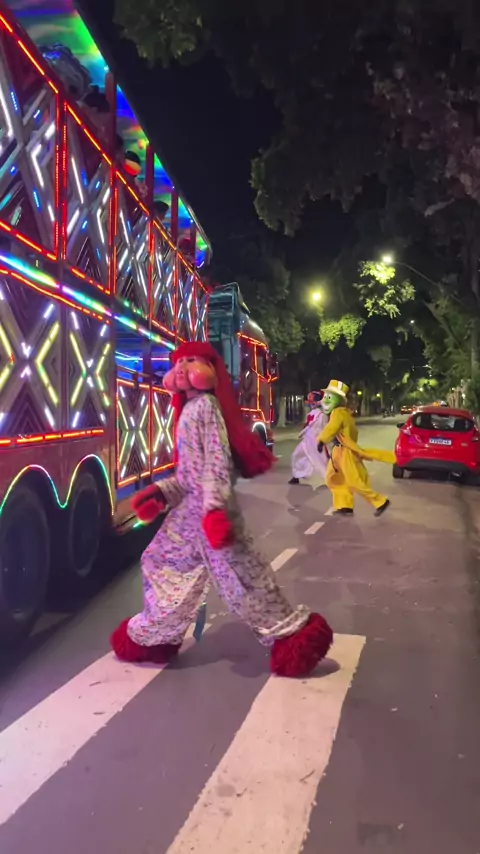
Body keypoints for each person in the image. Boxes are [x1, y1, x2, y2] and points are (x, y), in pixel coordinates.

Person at [110, 341, 333, 678]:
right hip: (190, 515)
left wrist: (215, 511)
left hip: (212, 513)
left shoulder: (207, 406)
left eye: (192, 360)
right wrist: (162, 492)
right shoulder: (189, 409)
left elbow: (216, 462)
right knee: (159, 561)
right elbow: (189, 474)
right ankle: (156, 634)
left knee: (242, 580)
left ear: (210, 369)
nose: (182, 367)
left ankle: (295, 636)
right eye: (179, 361)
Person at [317, 379, 396, 516]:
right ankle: (345, 505)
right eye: (325, 396)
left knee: (354, 481)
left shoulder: (339, 413)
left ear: (338, 400)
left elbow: (332, 428)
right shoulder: (343, 413)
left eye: (329, 397)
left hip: (345, 452)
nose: (325, 400)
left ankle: (380, 501)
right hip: (338, 452)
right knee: (332, 478)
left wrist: (321, 440)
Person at [289, 391, 329, 484]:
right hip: (306, 441)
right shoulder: (311, 413)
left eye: (311, 402)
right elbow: (308, 426)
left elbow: (325, 430)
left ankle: (329, 478)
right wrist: (302, 433)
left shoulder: (321, 415)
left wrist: (322, 442)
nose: (310, 404)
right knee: (296, 455)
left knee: (320, 461)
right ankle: (296, 475)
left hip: (316, 442)